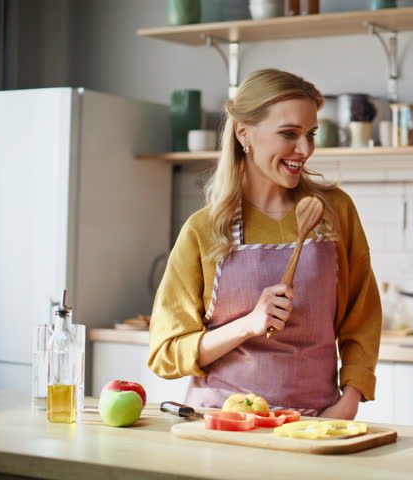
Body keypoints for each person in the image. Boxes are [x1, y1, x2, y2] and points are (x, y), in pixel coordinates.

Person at [148, 69, 381, 419]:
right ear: (244, 132)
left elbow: (362, 318)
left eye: (310, 134)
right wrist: (248, 324)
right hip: (222, 424)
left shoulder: (333, 211)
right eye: (289, 133)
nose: (305, 149)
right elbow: (165, 353)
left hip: (313, 423)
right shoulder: (203, 230)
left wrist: (348, 402)